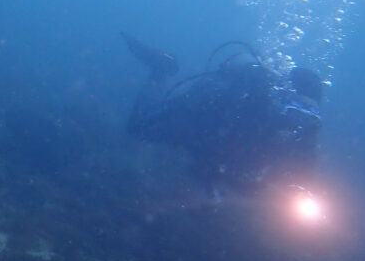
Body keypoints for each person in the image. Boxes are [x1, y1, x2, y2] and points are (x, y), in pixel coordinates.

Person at [122, 31, 322, 198]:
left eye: (308, 114)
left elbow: (302, 174)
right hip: (197, 117)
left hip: (217, 147)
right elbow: (217, 152)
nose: (297, 122)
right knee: (137, 126)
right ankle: (161, 68)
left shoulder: (304, 133)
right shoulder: (253, 105)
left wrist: (300, 193)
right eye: (295, 110)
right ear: (282, 97)